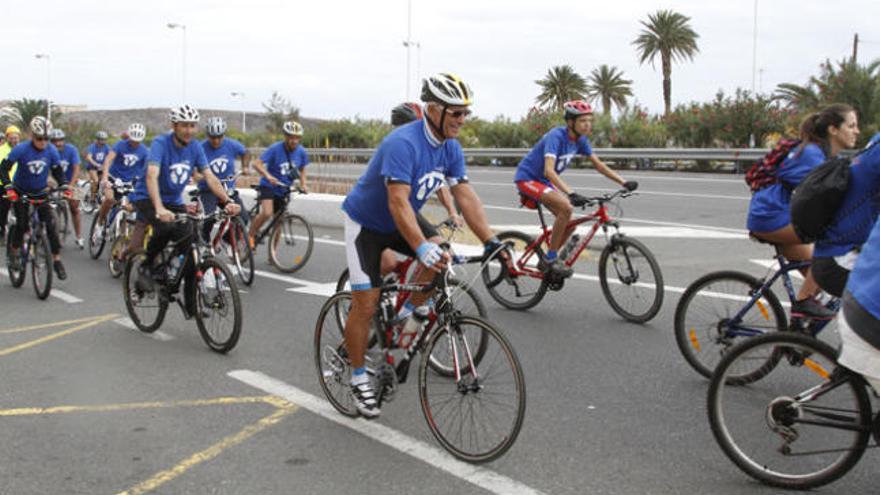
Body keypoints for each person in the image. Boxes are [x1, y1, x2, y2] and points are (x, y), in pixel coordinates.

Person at [339, 73, 504, 418]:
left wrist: (491, 241)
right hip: (367, 224)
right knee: (365, 305)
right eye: (456, 113)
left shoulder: (451, 148)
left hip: (402, 219)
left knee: (440, 255)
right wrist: (420, 246)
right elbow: (397, 203)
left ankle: (404, 314)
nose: (462, 120)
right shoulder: (404, 143)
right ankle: (357, 379)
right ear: (433, 109)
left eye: (465, 113)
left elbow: (465, 195)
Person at [747, 104, 859, 317]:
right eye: (851, 125)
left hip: (784, 216)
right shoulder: (811, 154)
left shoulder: (826, 157)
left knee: (820, 277)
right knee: (830, 243)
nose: (857, 131)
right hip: (771, 217)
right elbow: (817, 192)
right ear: (833, 130)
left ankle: (796, 339)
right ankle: (802, 302)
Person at [128, 105, 239, 318]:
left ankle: (191, 305)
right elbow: (152, 175)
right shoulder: (161, 144)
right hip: (147, 197)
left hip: (173, 200)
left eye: (192, 125)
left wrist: (226, 201)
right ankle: (147, 266)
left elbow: (210, 176)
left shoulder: (195, 148)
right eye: (184, 126)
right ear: (174, 126)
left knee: (190, 245)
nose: (188, 130)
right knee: (165, 226)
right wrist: (159, 208)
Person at [513, 100, 637, 278]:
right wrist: (570, 193)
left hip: (543, 181)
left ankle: (548, 257)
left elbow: (599, 165)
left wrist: (623, 182)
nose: (588, 125)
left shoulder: (580, 140)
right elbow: (549, 171)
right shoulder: (556, 136)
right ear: (571, 122)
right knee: (567, 207)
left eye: (590, 120)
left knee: (569, 225)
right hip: (528, 179)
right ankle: (551, 259)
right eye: (583, 121)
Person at [0, 117, 71, 279]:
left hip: (40, 191)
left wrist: (64, 185)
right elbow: (4, 168)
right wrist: (8, 187)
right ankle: (15, 251)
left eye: (47, 138)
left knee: (51, 226)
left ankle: (56, 260)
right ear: (32, 136)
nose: (43, 142)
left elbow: (57, 170)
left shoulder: (51, 150)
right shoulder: (21, 149)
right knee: (22, 223)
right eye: (39, 138)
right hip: (20, 191)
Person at [809, 132, 877, 297]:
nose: (857, 131)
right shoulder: (877, 153)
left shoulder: (874, 146)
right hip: (839, 260)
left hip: (838, 253)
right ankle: (804, 303)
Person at [247, 120, 309, 248]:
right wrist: (268, 176)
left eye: (297, 138)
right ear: (285, 136)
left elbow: (302, 168)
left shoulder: (301, 152)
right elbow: (256, 163)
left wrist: (304, 184)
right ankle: (250, 235)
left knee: (279, 223)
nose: (294, 141)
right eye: (291, 137)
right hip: (268, 186)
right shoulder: (275, 149)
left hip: (283, 189)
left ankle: (273, 255)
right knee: (267, 213)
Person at [193, 116, 250, 241]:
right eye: (213, 137)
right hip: (208, 191)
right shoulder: (200, 148)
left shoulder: (232, 145)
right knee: (209, 218)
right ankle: (204, 243)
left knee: (243, 218)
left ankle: (227, 241)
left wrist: (245, 167)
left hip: (227, 189)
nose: (216, 140)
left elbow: (245, 152)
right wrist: (199, 176)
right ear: (208, 135)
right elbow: (194, 172)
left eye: (219, 137)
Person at [95, 123, 149, 230]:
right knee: (110, 199)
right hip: (113, 178)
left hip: (130, 182)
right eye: (132, 140)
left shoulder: (145, 151)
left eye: (137, 141)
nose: (134, 143)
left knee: (133, 206)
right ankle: (100, 223)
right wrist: (105, 178)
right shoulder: (120, 145)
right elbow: (108, 160)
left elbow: (147, 170)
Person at [49, 129, 84, 248]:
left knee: (75, 208)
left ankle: (79, 236)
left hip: (72, 181)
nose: (58, 143)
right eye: (55, 141)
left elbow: (77, 169)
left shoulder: (72, 149)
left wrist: (71, 185)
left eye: (60, 140)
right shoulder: (47, 150)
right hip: (54, 182)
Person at [0, 125, 22, 243]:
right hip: (4, 184)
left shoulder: (23, 149)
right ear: (7, 138)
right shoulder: (2, 150)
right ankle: (2, 229)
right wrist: (6, 184)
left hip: (19, 183)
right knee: (4, 207)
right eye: (11, 138)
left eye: (16, 137)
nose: (14, 140)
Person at [85, 131, 110, 202]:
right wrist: (95, 164)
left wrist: (107, 165)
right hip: (92, 167)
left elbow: (109, 157)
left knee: (105, 181)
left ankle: (102, 195)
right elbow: (89, 157)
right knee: (95, 181)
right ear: (98, 140)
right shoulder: (92, 147)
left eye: (104, 140)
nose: (103, 142)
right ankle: (92, 198)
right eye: (101, 140)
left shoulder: (106, 147)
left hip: (102, 167)